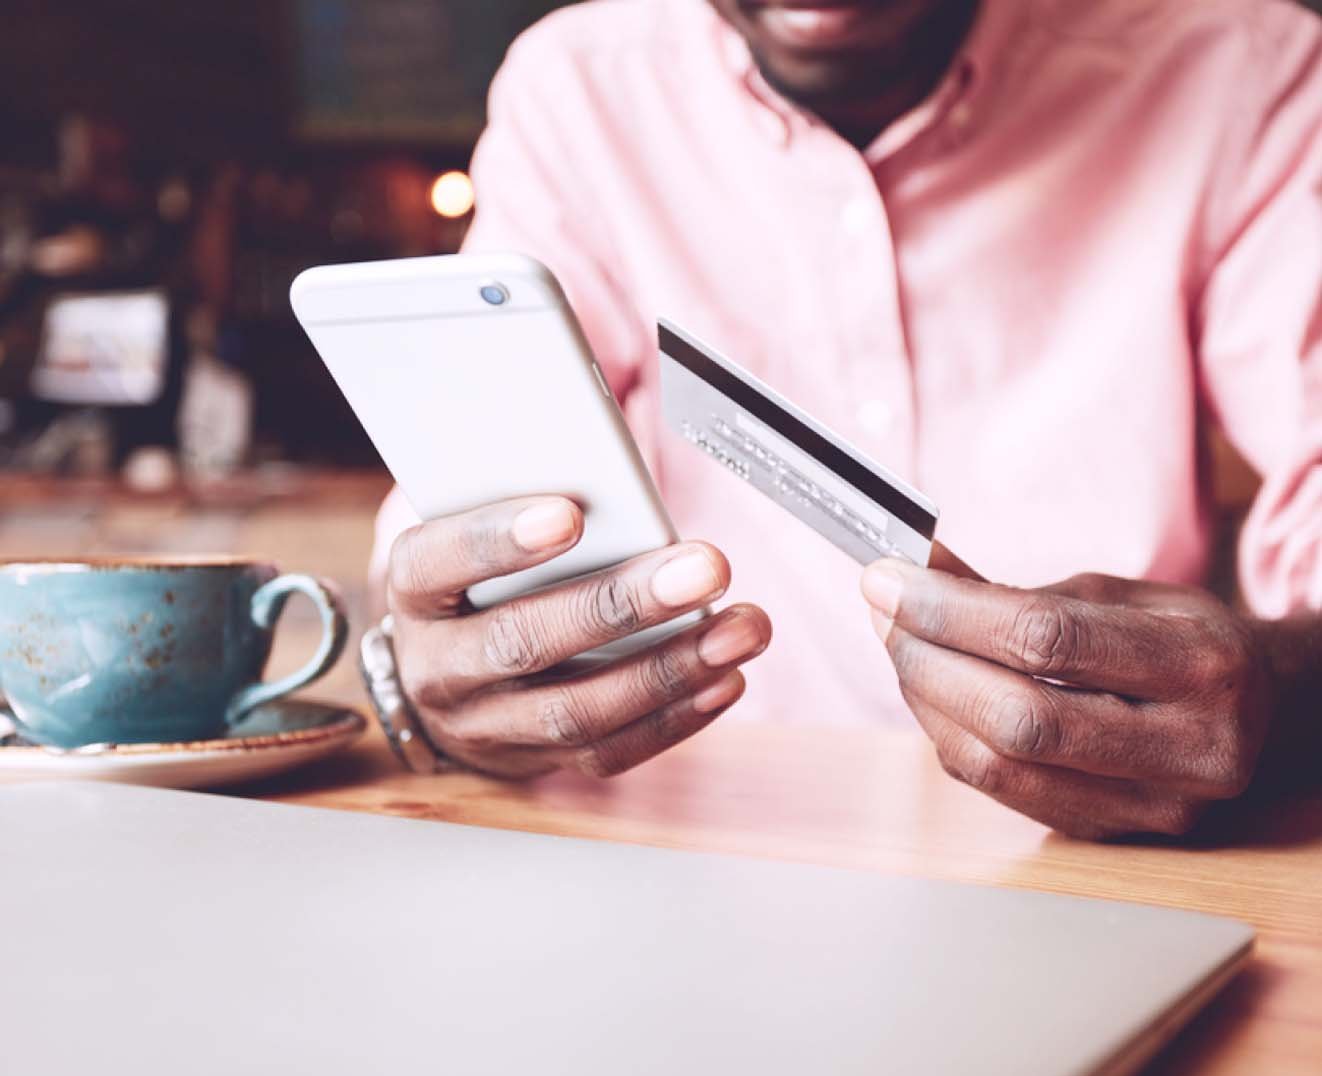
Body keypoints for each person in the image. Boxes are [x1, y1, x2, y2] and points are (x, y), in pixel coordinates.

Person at [367, 0, 1322, 838]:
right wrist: (447, 673)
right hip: (693, 854)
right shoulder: (578, 93)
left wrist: (1287, 693)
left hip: (1127, 872)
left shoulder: (1248, 73)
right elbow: (466, 518)